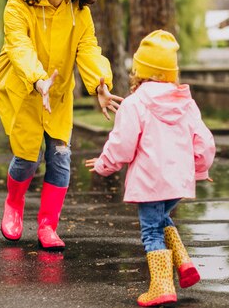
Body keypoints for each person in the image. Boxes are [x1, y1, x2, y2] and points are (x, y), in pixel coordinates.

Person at [0, 0, 123, 250]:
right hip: (23, 87)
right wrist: (38, 80)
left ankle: (48, 226)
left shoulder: (80, 12)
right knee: (27, 158)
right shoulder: (17, 6)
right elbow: (19, 47)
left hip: (59, 92)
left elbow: (88, 50)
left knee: (60, 158)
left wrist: (100, 85)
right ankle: (14, 203)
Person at [85, 30, 215, 307]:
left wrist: (103, 165)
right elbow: (204, 140)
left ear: (139, 71)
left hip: (150, 182)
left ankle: (162, 287)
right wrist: (200, 169)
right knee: (162, 219)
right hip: (177, 182)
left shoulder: (135, 103)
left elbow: (121, 144)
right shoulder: (186, 103)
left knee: (151, 231)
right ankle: (184, 263)